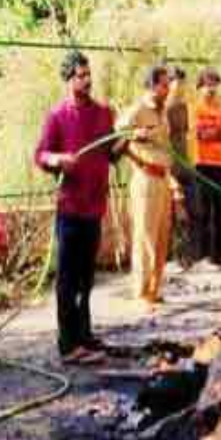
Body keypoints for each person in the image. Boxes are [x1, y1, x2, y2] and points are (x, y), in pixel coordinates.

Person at [34, 51, 117, 365]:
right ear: (68, 80)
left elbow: (111, 151)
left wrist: (130, 139)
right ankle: (68, 345)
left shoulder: (103, 113)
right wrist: (57, 160)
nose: (87, 80)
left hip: (95, 206)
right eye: (80, 75)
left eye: (88, 74)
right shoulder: (57, 116)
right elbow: (41, 154)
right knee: (68, 279)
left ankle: (84, 333)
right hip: (70, 208)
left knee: (86, 278)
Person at [117, 64, 175, 305]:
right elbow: (117, 136)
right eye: (163, 84)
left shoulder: (162, 112)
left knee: (161, 237)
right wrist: (133, 136)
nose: (167, 89)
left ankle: (154, 289)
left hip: (162, 179)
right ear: (152, 86)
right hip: (145, 178)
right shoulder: (137, 110)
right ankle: (141, 293)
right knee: (144, 237)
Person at [190, 69, 221, 268]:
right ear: (199, 87)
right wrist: (217, 132)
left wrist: (214, 132)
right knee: (203, 212)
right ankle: (202, 257)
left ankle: (220, 256)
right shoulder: (194, 107)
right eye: (208, 85)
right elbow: (199, 135)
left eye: (215, 85)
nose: (212, 89)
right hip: (201, 164)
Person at [164, 67, 197, 270]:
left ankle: (187, 258)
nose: (181, 87)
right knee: (171, 213)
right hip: (168, 167)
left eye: (183, 83)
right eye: (178, 82)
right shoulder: (162, 109)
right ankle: (170, 259)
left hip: (185, 164)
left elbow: (185, 135)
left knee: (191, 211)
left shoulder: (184, 107)